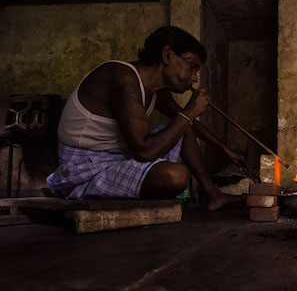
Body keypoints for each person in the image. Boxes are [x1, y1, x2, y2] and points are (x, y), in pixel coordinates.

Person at [46, 26, 244, 210]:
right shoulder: (123, 79)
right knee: (175, 176)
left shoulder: (155, 90)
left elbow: (184, 122)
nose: (194, 78)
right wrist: (191, 110)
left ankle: (213, 196)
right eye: (191, 67)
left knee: (183, 126)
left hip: (119, 156)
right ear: (167, 54)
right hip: (84, 167)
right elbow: (144, 151)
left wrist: (225, 149)